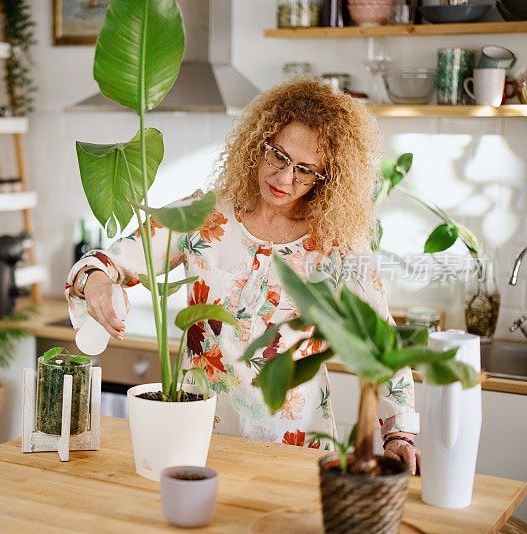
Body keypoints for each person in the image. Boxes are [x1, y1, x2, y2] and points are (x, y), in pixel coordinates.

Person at [65, 78, 421, 475]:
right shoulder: (205, 214)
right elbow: (116, 257)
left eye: (305, 170)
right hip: (198, 434)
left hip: (295, 444)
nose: (285, 179)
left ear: (328, 177)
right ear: (259, 143)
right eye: (278, 157)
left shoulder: (339, 243)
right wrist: (95, 278)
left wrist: (399, 432)